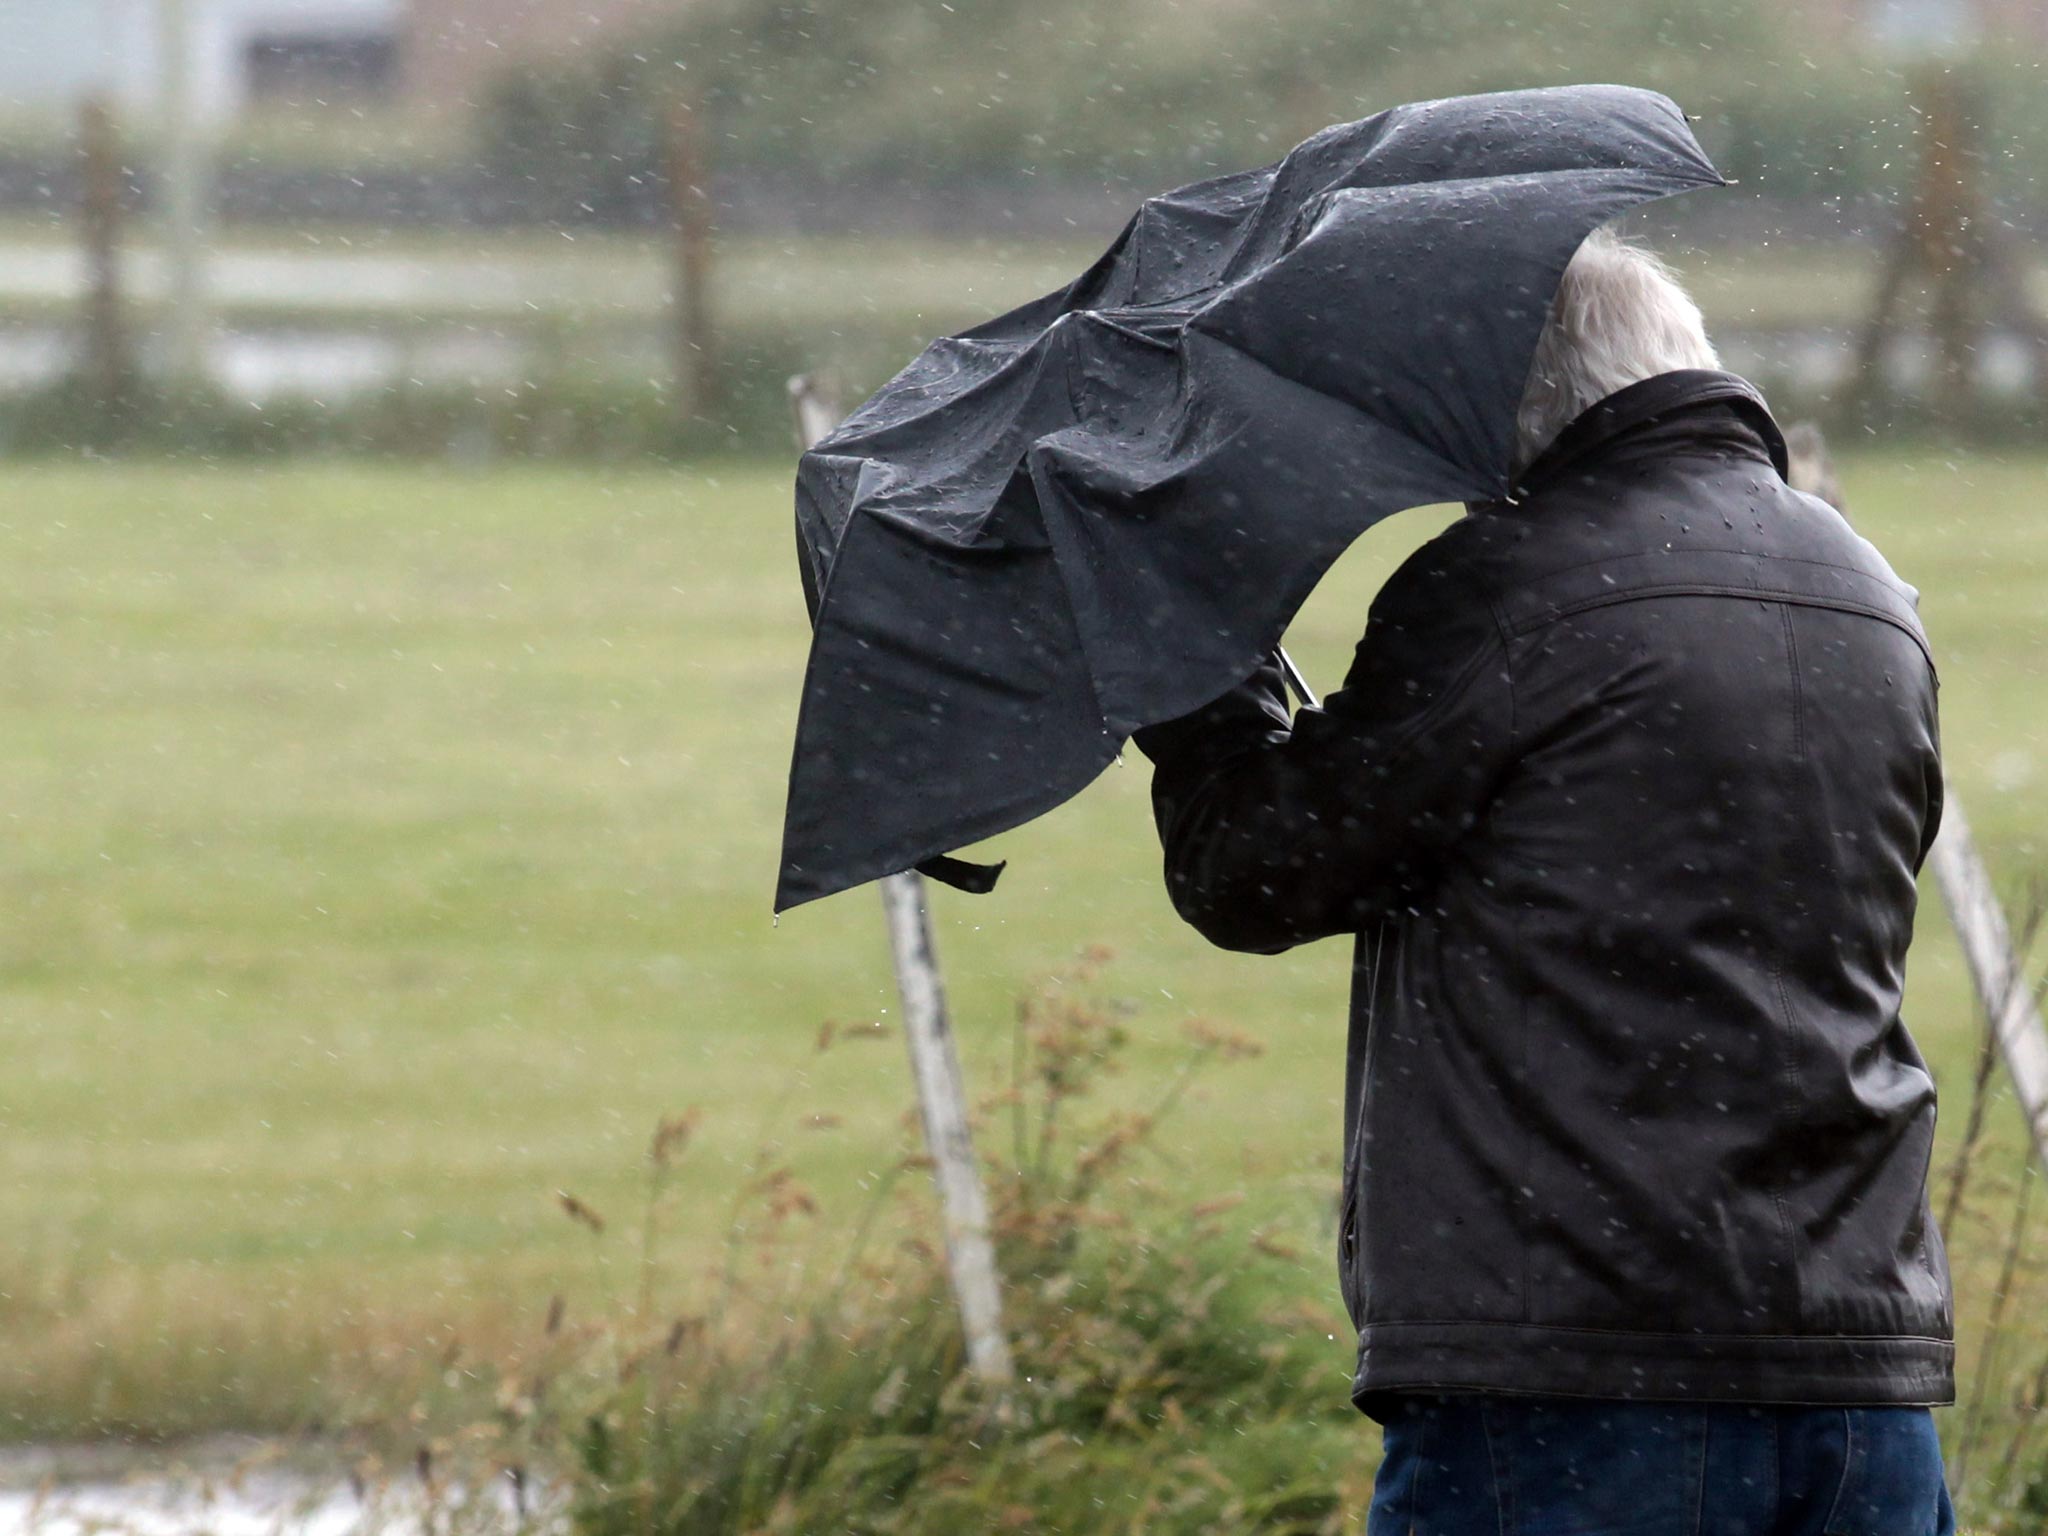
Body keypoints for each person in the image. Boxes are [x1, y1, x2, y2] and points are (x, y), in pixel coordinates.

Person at [1132, 227, 1955, 1535]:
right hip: (1860, 1381)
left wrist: (1193, 659)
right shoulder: (1864, 591)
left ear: (1510, 400)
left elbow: (1257, 868)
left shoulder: (1514, 584)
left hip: (1574, 1375)